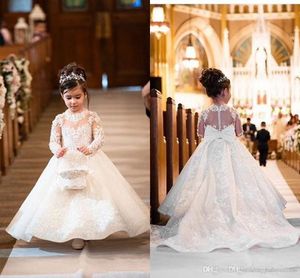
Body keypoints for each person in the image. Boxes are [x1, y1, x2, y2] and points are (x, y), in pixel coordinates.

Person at [154, 68, 300, 252]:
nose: (230, 94)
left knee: (208, 182)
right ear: (223, 91)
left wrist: (215, 134)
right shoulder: (233, 113)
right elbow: (239, 133)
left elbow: (200, 133)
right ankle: (235, 218)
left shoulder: (205, 114)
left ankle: (207, 218)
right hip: (232, 151)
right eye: (229, 90)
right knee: (237, 183)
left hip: (210, 151)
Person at [6, 63, 149, 250]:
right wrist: (56, 150)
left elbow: (99, 136)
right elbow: (53, 140)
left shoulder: (91, 117)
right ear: (62, 97)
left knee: (92, 193)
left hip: (88, 160)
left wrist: (91, 147)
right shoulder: (59, 119)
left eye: (77, 97)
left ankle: (89, 228)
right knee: (66, 194)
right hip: (65, 162)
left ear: (85, 95)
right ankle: (74, 231)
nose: (73, 102)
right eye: (68, 98)